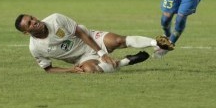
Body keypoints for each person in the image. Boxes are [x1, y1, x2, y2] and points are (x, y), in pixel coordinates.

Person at [14, 13, 174, 73]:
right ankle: (126, 61)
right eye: (29, 24)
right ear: (26, 32)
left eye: (32, 18)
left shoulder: (56, 19)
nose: (34, 22)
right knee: (90, 70)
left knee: (118, 40)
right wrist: (71, 70)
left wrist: (101, 53)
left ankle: (157, 43)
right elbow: (48, 69)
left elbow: (81, 34)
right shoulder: (35, 48)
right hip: (81, 58)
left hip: (90, 38)